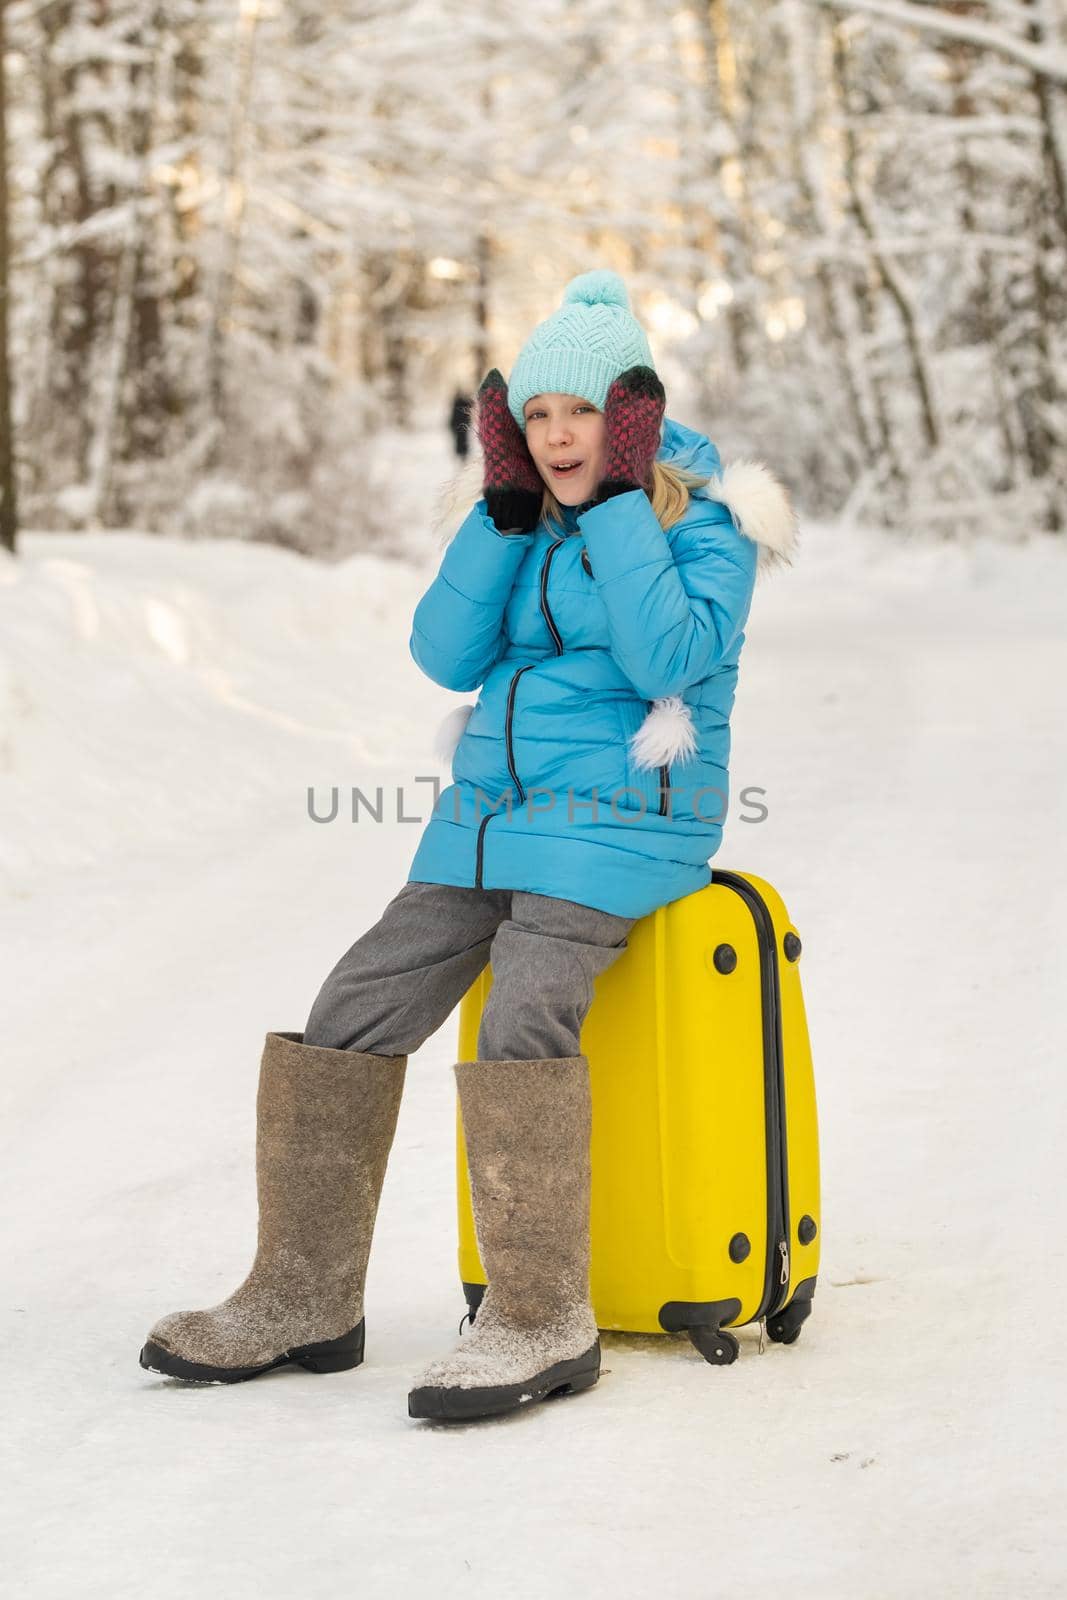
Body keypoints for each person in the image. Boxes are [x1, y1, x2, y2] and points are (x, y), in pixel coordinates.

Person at [139, 270, 797, 1422]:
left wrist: (616, 506)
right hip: (486, 825)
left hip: (620, 829)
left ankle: (541, 1314)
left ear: (630, 414)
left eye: (580, 413)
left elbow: (666, 662)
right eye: (534, 415)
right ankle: (301, 1296)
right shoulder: (517, 514)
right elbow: (442, 655)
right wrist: (498, 516)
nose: (553, 437)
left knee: (523, 1009)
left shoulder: (708, 523)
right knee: (354, 1002)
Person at [448, 389, 473, 458]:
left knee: (461, 439)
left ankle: (462, 453)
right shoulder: (460, 403)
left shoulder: (458, 403)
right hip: (461, 424)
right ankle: (462, 453)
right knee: (461, 439)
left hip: (460, 424)